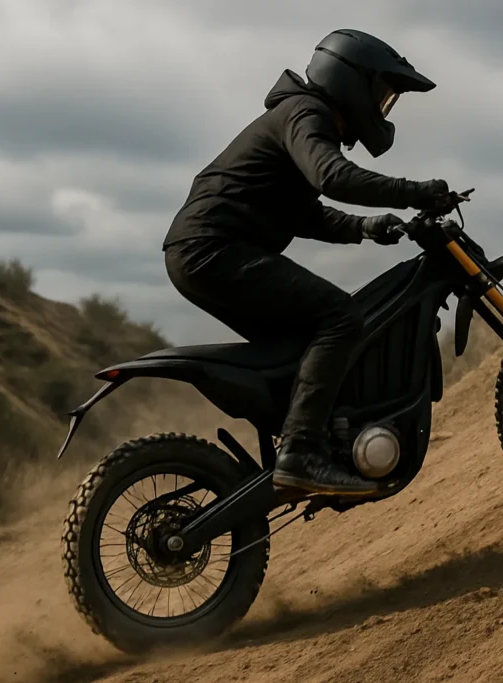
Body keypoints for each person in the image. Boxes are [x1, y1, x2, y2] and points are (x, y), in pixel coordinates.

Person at [163, 29, 451, 496]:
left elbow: (305, 212)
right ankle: (301, 454)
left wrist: (368, 226)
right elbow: (332, 176)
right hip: (212, 252)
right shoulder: (305, 112)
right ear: (352, 81)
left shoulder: (297, 117)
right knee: (340, 317)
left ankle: (316, 438)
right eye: (381, 93)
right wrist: (414, 191)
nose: (383, 107)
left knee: (306, 343)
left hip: (199, 253)